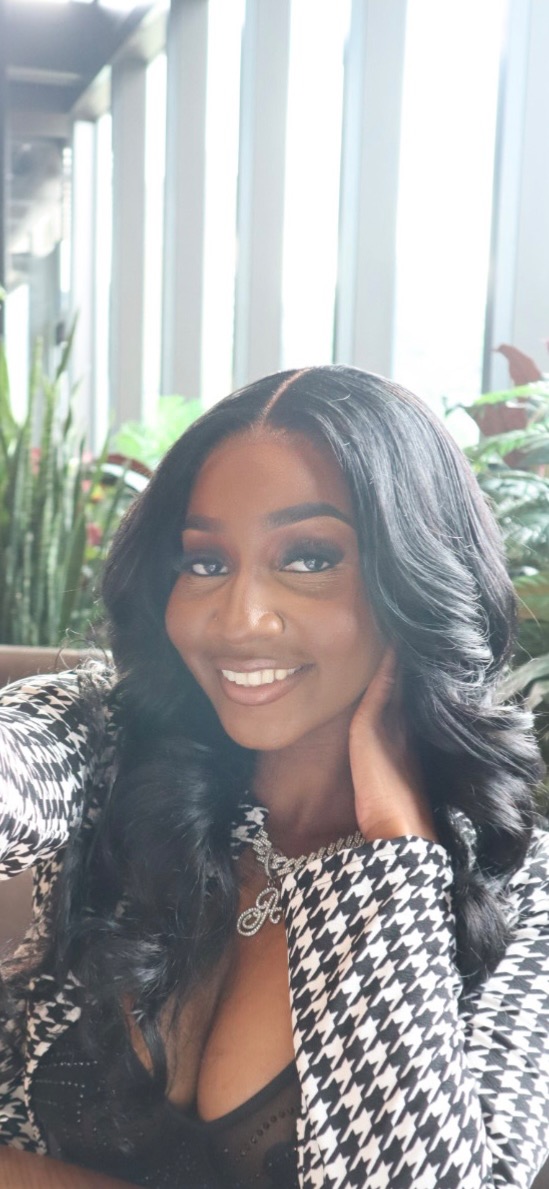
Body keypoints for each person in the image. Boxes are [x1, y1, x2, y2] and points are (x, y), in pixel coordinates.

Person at [0, 364, 548, 1189]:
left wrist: (393, 857)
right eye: (204, 563)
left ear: (418, 579)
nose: (238, 618)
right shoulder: (107, 744)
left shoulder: (520, 891)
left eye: (308, 556)